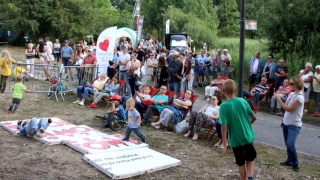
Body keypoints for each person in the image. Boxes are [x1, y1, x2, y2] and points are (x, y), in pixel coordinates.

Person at [219, 79, 257, 180]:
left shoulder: (223, 106)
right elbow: (254, 117)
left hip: (235, 139)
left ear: (223, 91)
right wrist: (248, 125)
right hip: (247, 136)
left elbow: (223, 126)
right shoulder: (243, 101)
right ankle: (250, 177)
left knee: (240, 162)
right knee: (250, 158)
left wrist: (224, 143)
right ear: (235, 89)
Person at [274, 75, 304, 172]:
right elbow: (286, 105)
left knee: (290, 144)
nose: (290, 86)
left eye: (291, 84)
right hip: (286, 122)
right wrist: (279, 96)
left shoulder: (299, 97)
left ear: (297, 84)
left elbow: (289, 108)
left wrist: (278, 99)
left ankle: (295, 163)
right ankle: (289, 160)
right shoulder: (291, 94)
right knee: (288, 144)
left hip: (294, 125)